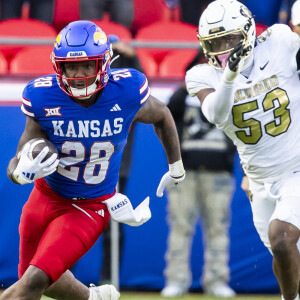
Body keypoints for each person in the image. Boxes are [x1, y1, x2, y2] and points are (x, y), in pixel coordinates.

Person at [2, 20, 185, 300]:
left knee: (33, 281)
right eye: (71, 66)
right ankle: (95, 298)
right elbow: (18, 157)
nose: (78, 74)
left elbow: (162, 115)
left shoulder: (125, 90)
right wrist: (18, 173)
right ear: (58, 66)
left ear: (104, 63)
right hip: (44, 197)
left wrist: (176, 168)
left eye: (87, 65)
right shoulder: (42, 96)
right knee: (37, 279)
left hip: (89, 206)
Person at [186, 0, 300, 299]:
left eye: (229, 39)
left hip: (296, 167)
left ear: (247, 31)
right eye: (214, 42)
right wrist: (230, 75)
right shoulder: (201, 75)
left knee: (281, 238)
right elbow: (216, 114)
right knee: (283, 251)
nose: (222, 48)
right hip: (259, 179)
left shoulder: (279, 41)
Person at [161, 49, 236, 298]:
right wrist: (187, 87)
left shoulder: (230, 92)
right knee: (179, 227)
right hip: (186, 173)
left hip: (218, 173)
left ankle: (216, 281)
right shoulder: (182, 97)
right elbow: (166, 115)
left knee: (218, 228)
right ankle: (176, 280)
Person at [100, 33, 143, 284]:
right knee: (71, 222)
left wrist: (131, 54)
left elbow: (141, 84)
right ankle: (64, 275)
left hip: (116, 169)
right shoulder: (89, 90)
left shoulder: (127, 91)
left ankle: (109, 278)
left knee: (113, 225)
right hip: (83, 166)